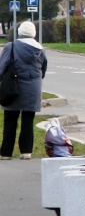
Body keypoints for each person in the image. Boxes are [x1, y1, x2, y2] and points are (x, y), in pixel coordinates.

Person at [0, 22, 48, 160]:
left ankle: (6, 153)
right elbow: (43, 69)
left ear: (19, 32)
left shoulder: (12, 46)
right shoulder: (40, 49)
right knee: (28, 120)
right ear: (34, 33)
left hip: (12, 88)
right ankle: (26, 151)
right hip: (33, 88)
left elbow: (2, 66)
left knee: (10, 120)